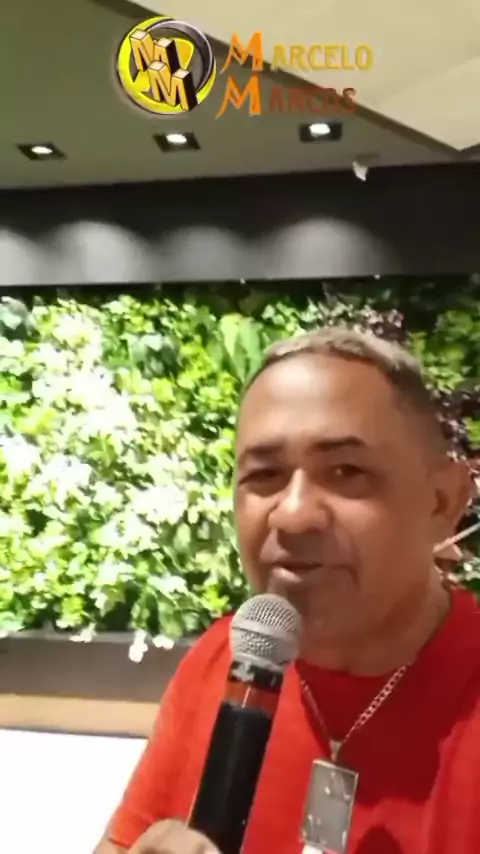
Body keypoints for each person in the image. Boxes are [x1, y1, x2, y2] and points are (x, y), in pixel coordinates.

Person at [94, 326, 480, 854]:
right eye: (265, 474)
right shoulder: (223, 659)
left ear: (443, 502)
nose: (293, 515)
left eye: (347, 471)